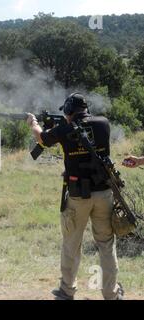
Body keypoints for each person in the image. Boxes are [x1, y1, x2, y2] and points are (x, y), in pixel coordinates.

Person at [26, 93, 124, 300]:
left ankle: (67, 291)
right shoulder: (103, 123)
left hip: (78, 196)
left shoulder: (65, 129)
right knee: (106, 244)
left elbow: (41, 138)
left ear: (70, 109)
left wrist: (33, 123)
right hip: (104, 193)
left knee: (71, 244)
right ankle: (110, 293)